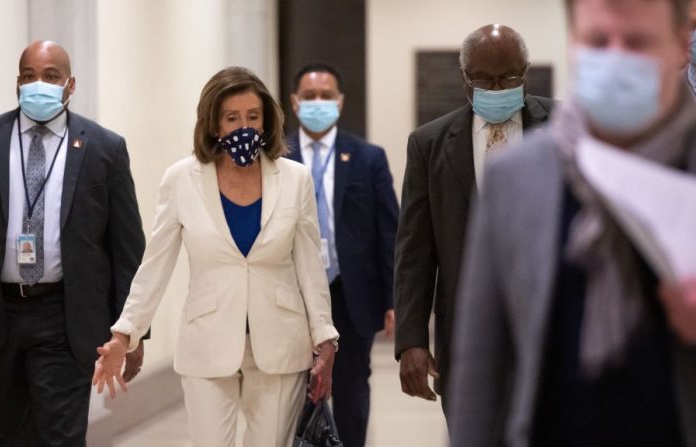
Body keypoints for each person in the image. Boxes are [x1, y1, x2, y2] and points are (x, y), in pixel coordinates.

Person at [449, 0, 696, 446]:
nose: (616, 58)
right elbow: (482, 377)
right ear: (573, 42)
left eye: (638, 42)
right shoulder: (517, 180)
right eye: (598, 42)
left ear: (683, 45)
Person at [92, 66, 339, 447]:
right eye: (232, 118)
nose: (245, 126)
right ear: (214, 124)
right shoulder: (181, 179)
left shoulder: (294, 179)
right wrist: (125, 333)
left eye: (253, 117)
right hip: (207, 342)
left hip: (279, 343)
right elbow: (155, 265)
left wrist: (325, 337)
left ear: (267, 121)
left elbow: (309, 266)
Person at [0, 41, 145, 446]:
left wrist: (133, 331)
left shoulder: (104, 149)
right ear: (17, 83)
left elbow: (127, 246)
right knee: (9, 432)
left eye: (51, 76)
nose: (38, 85)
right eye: (29, 76)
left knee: (59, 435)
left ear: (70, 85)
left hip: (66, 314)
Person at [393, 24, 554, 414]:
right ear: (465, 78)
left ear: (526, 71)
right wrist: (411, 339)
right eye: (485, 80)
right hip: (466, 332)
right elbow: (415, 250)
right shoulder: (429, 144)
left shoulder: (563, 128)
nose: (498, 90)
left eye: (509, 78)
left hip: (551, 326)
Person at [285, 63, 399, 447]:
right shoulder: (277, 157)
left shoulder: (367, 157)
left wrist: (393, 300)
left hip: (351, 293)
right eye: (310, 96)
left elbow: (389, 232)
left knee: (351, 389)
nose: (319, 102)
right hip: (292, 294)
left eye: (326, 96)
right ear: (295, 102)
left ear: (340, 101)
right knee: (294, 390)